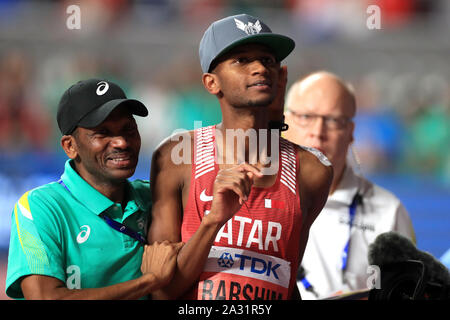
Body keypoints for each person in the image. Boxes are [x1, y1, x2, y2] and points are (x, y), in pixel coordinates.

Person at [148, 14, 333, 300]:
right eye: (242, 60)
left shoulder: (312, 170)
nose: (260, 68)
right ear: (211, 82)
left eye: (268, 60)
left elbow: (284, 275)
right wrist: (213, 221)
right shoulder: (176, 157)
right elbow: (162, 292)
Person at [5, 78, 183, 299]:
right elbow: (45, 297)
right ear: (70, 146)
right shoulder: (39, 207)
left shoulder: (155, 197)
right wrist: (149, 282)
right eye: (103, 133)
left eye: (128, 129)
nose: (122, 142)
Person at [283, 71, 416, 299]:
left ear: (351, 132)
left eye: (333, 120)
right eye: (306, 117)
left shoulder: (387, 211)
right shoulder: (252, 198)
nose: (318, 132)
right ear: (285, 123)